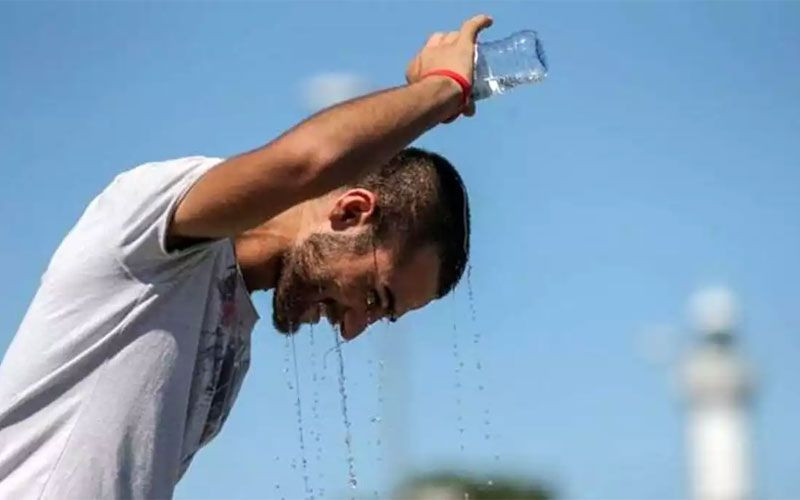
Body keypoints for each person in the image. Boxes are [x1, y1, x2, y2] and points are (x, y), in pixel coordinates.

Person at [0, 13, 492, 499]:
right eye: (373, 296)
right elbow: (307, 164)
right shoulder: (152, 224)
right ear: (350, 212)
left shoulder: (233, 339)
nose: (352, 328)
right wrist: (443, 87)